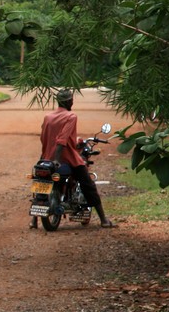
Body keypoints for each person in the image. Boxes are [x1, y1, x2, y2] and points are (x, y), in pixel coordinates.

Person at [30, 89, 115, 229]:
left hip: (46, 158)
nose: (72, 101)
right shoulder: (71, 116)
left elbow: (43, 137)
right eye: (71, 100)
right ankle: (103, 220)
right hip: (66, 158)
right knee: (88, 185)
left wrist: (48, 156)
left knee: (41, 183)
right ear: (69, 101)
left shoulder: (48, 117)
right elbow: (62, 139)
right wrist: (57, 159)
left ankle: (34, 221)